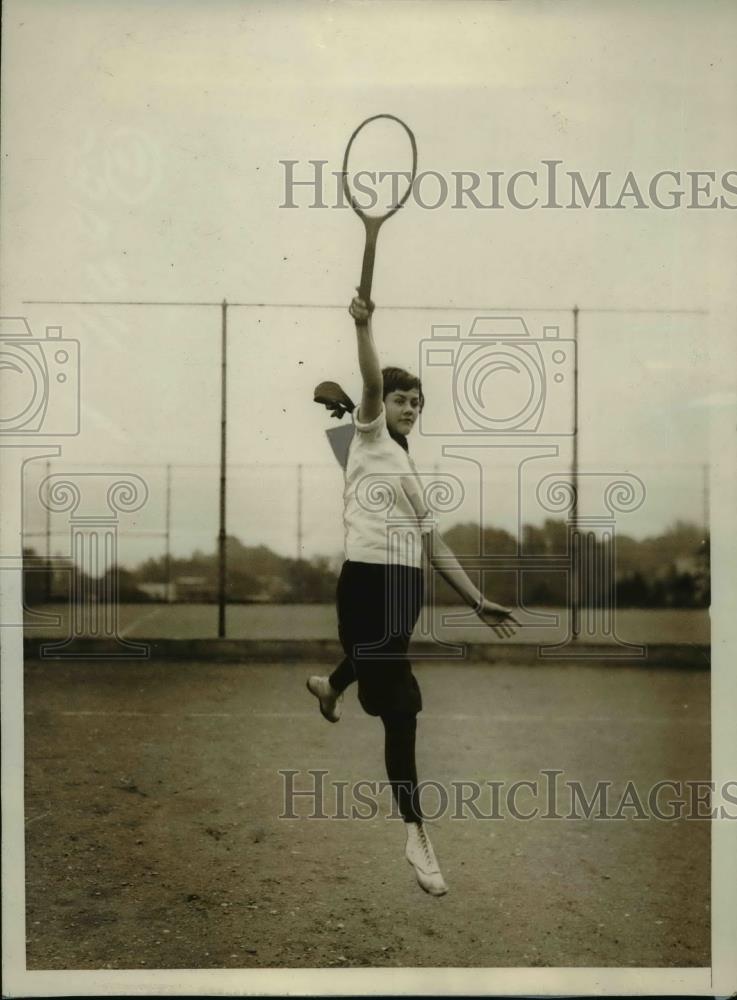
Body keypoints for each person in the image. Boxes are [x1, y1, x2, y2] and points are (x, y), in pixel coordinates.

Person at [307, 293, 519, 896]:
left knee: (398, 703)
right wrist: (364, 324)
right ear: (382, 406)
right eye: (403, 399)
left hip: (406, 588)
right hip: (366, 582)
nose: (410, 407)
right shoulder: (369, 437)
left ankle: (411, 825)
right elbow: (369, 385)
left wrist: (477, 599)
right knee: (395, 699)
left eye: (417, 403)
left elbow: (436, 545)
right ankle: (415, 828)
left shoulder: (405, 468)